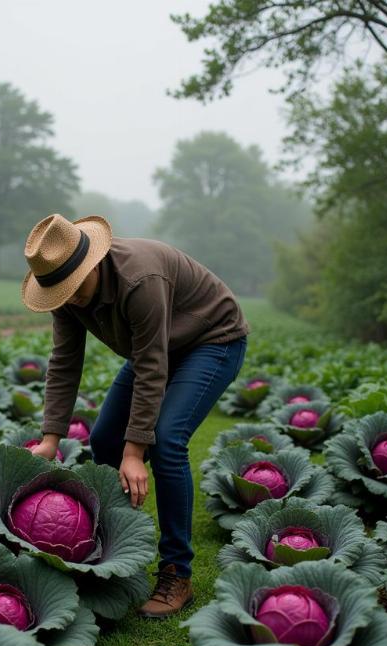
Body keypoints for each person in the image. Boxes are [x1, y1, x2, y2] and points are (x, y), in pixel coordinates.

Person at [21, 213, 249, 619]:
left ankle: (176, 572)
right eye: (60, 293)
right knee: (105, 439)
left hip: (211, 341)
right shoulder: (64, 291)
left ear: (91, 265)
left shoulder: (139, 281)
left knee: (167, 440)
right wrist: (50, 439)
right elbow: (64, 362)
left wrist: (135, 451)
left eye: (72, 290)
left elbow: (151, 366)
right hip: (155, 348)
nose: (69, 298)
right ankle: (118, 548)